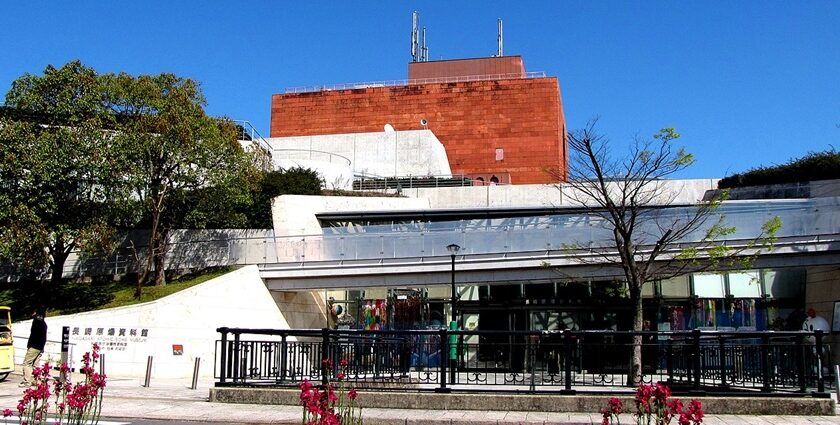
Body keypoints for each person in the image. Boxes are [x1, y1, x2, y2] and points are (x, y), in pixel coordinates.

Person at [21, 307, 47, 387]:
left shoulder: (36, 321)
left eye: (34, 312)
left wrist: (30, 345)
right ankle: (37, 381)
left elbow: (33, 335)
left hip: (34, 346)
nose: (32, 313)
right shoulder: (43, 323)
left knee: (27, 363)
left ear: (36, 313)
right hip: (40, 347)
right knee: (36, 364)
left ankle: (27, 381)